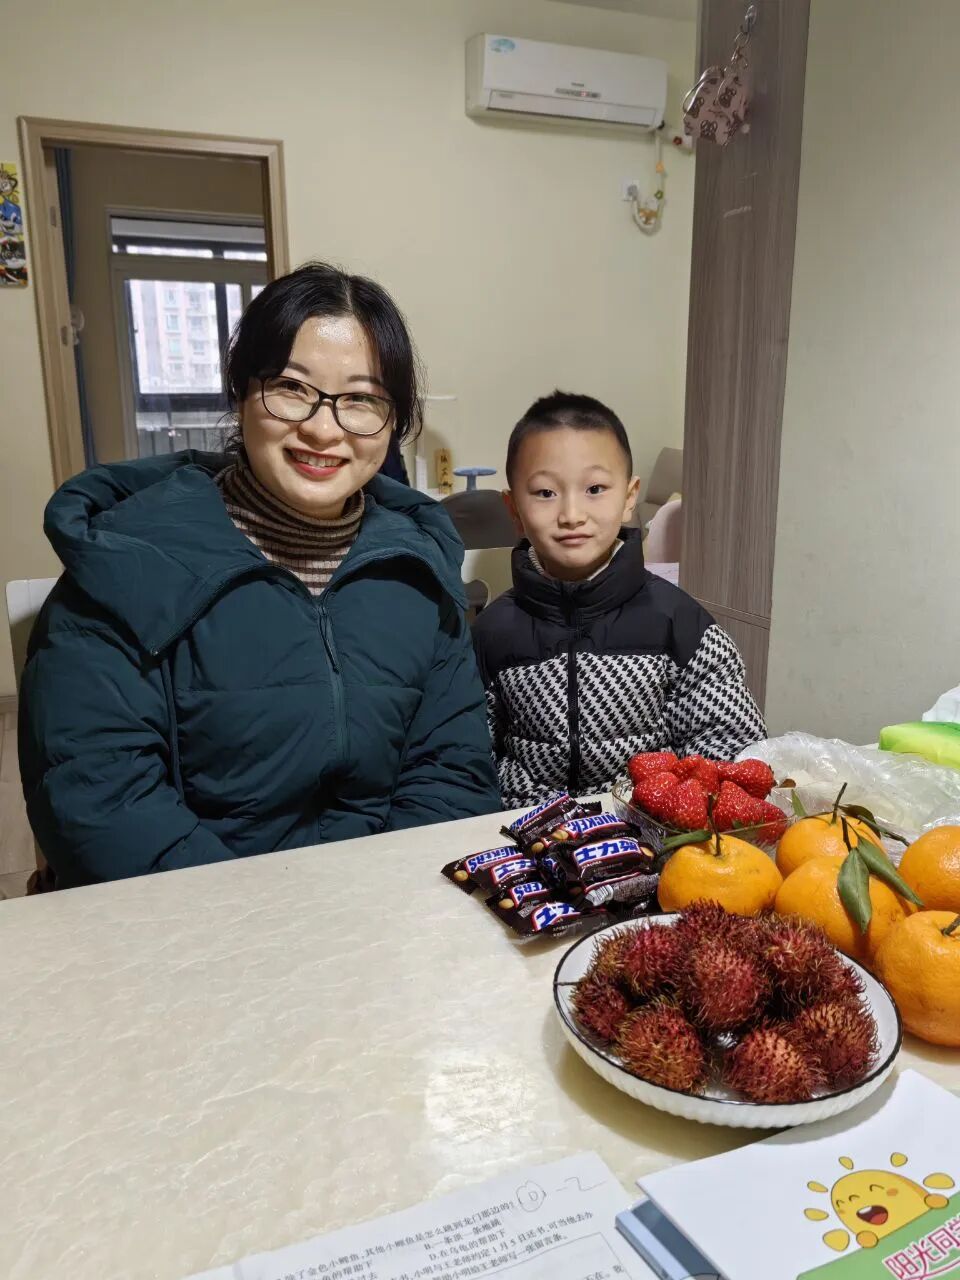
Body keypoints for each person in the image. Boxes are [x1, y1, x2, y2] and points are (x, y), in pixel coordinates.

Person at [19, 261, 500, 888]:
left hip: (389, 910)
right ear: (242, 392)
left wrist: (387, 901)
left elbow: (452, 773)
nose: (323, 429)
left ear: (393, 421)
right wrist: (268, 924)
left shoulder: (418, 569)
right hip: (191, 920)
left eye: (361, 399)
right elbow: (102, 804)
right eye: (291, 387)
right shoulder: (126, 558)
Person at [472, 391, 766, 809]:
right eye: (545, 493)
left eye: (595, 488)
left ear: (629, 497)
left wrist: (660, 807)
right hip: (523, 830)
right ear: (513, 508)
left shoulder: (680, 623)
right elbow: (467, 756)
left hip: (646, 828)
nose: (572, 514)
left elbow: (730, 743)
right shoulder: (490, 631)